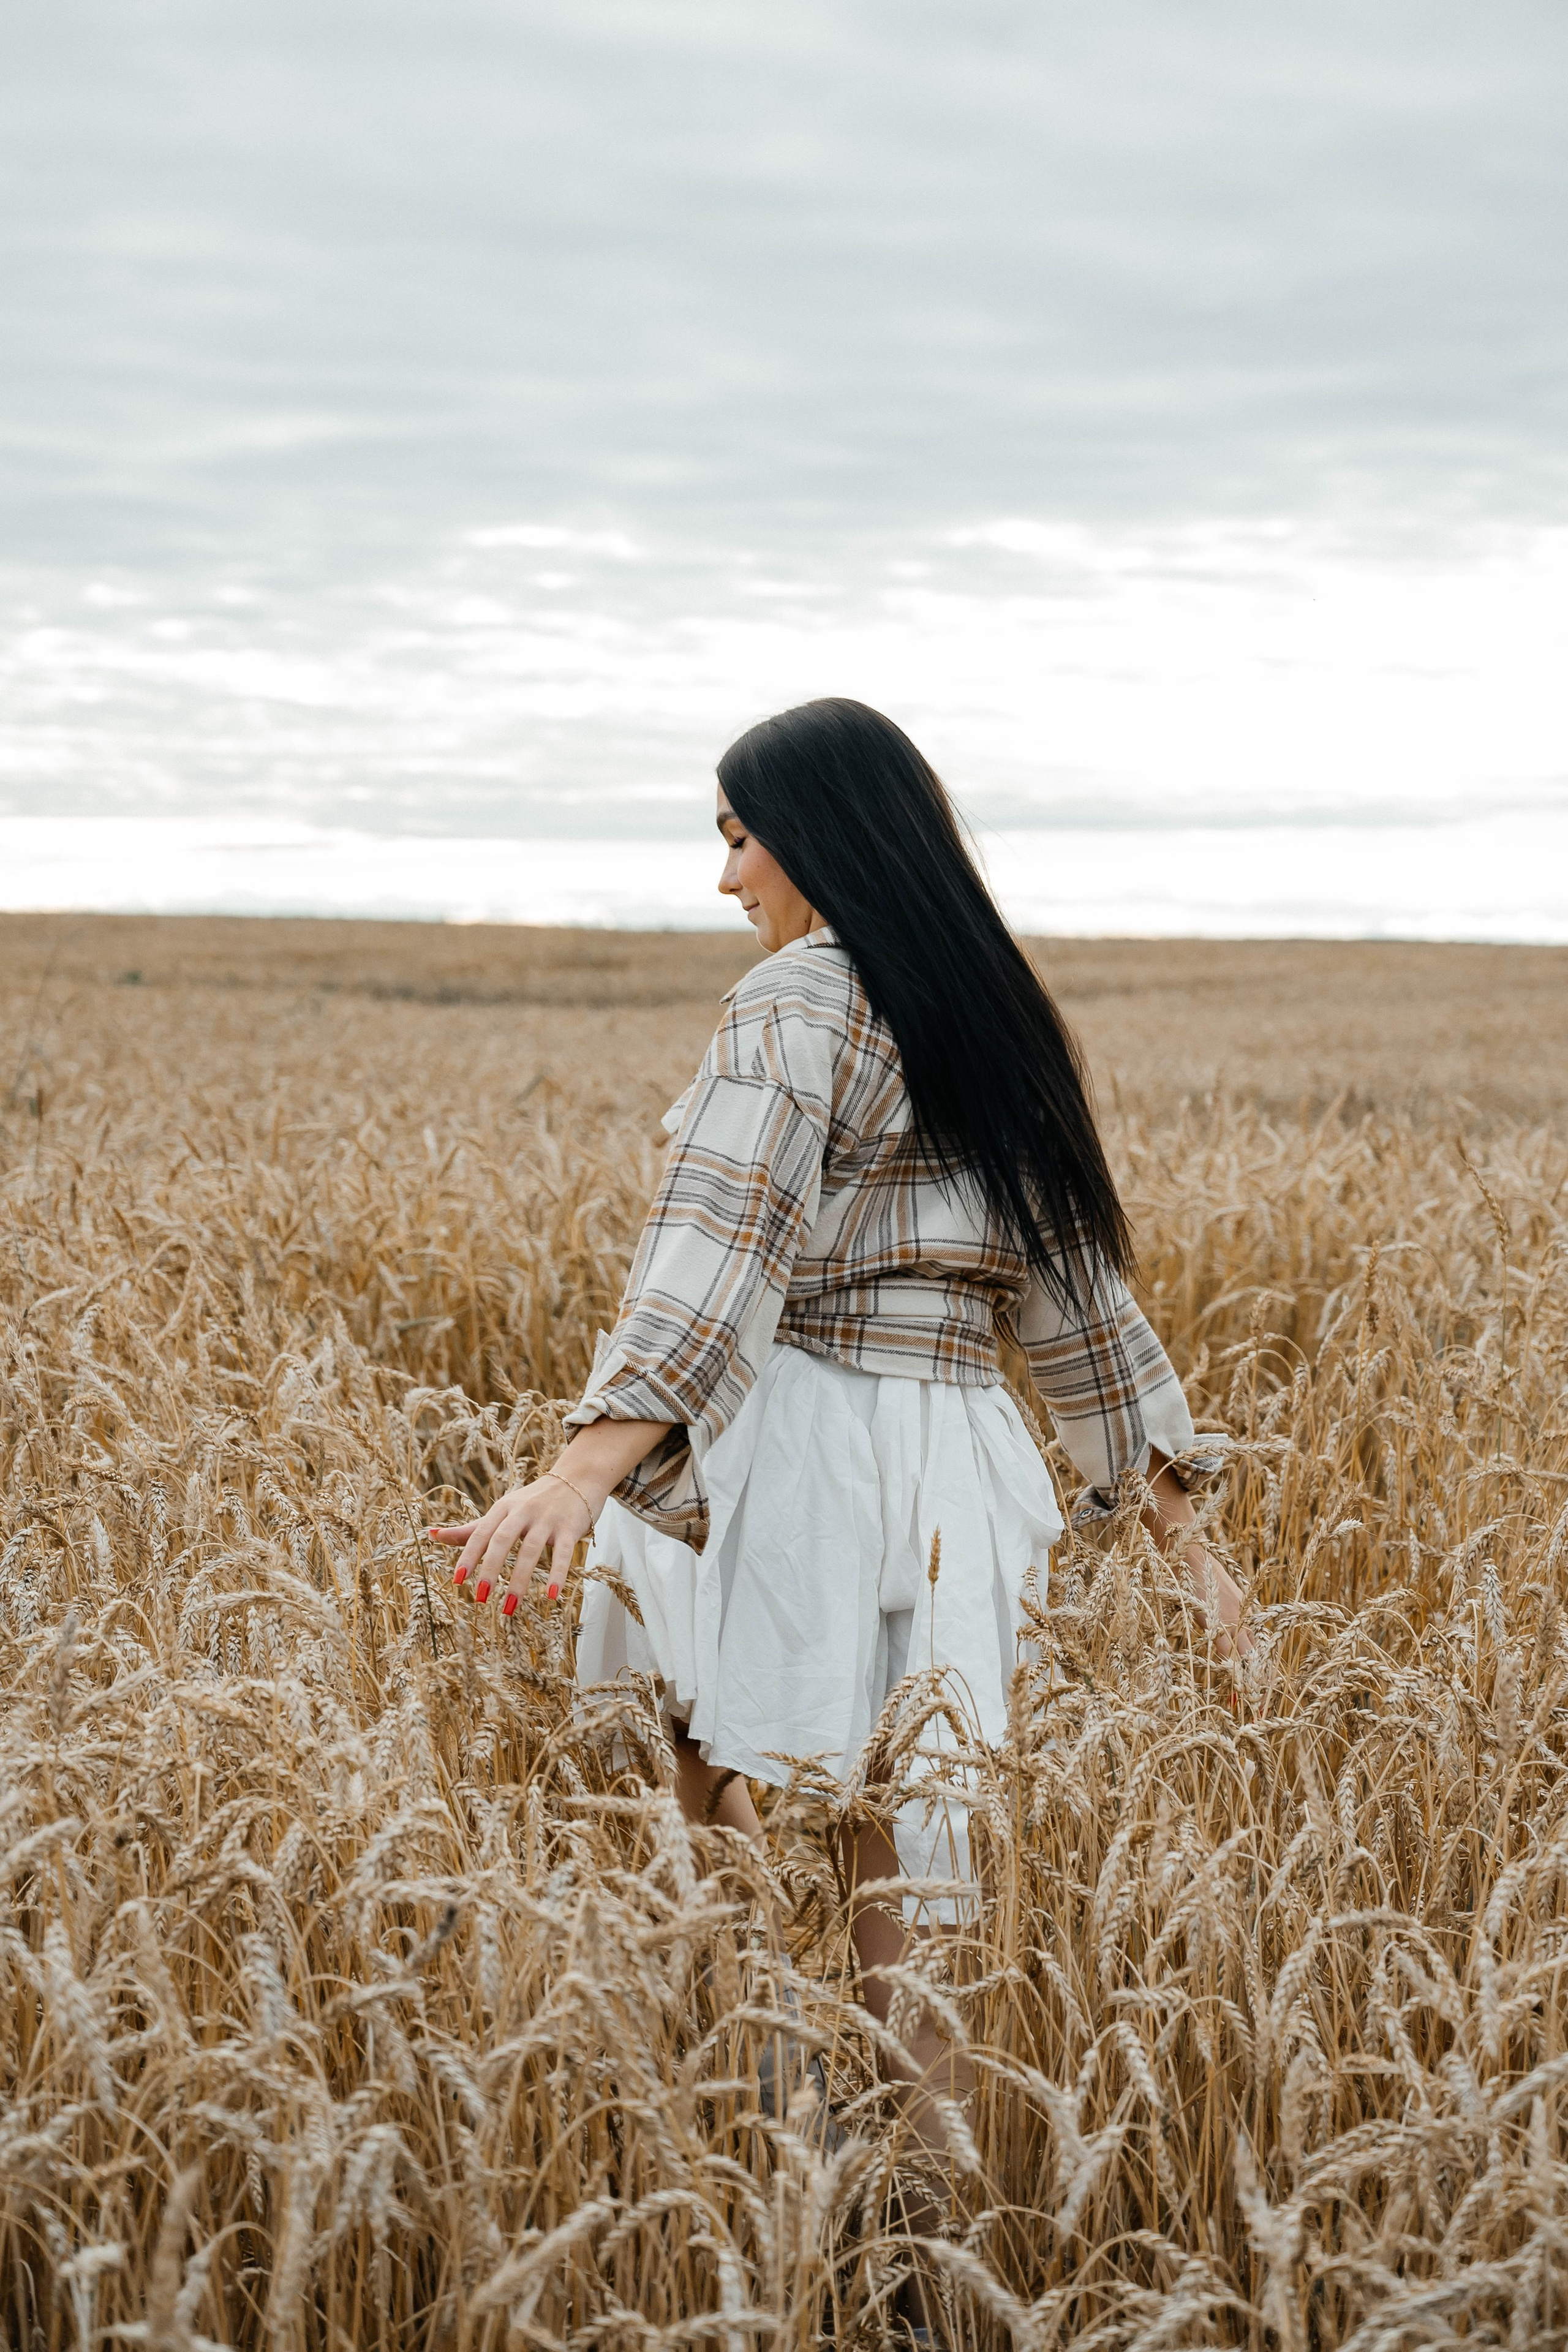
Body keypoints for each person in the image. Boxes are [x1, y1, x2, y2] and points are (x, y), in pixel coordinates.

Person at [431, 698, 1244, 2323]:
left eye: (742, 832)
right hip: (957, 1471)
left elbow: (719, 1248)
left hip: (790, 1446)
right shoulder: (999, 1011)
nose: (728, 874)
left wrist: (592, 1463)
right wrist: (1189, 1540)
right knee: (910, 1862)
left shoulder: (796, 1001)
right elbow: (1078, 1303)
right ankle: (918, 2258)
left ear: (822, 834)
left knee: (702, 1784)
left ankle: (765, 2159)